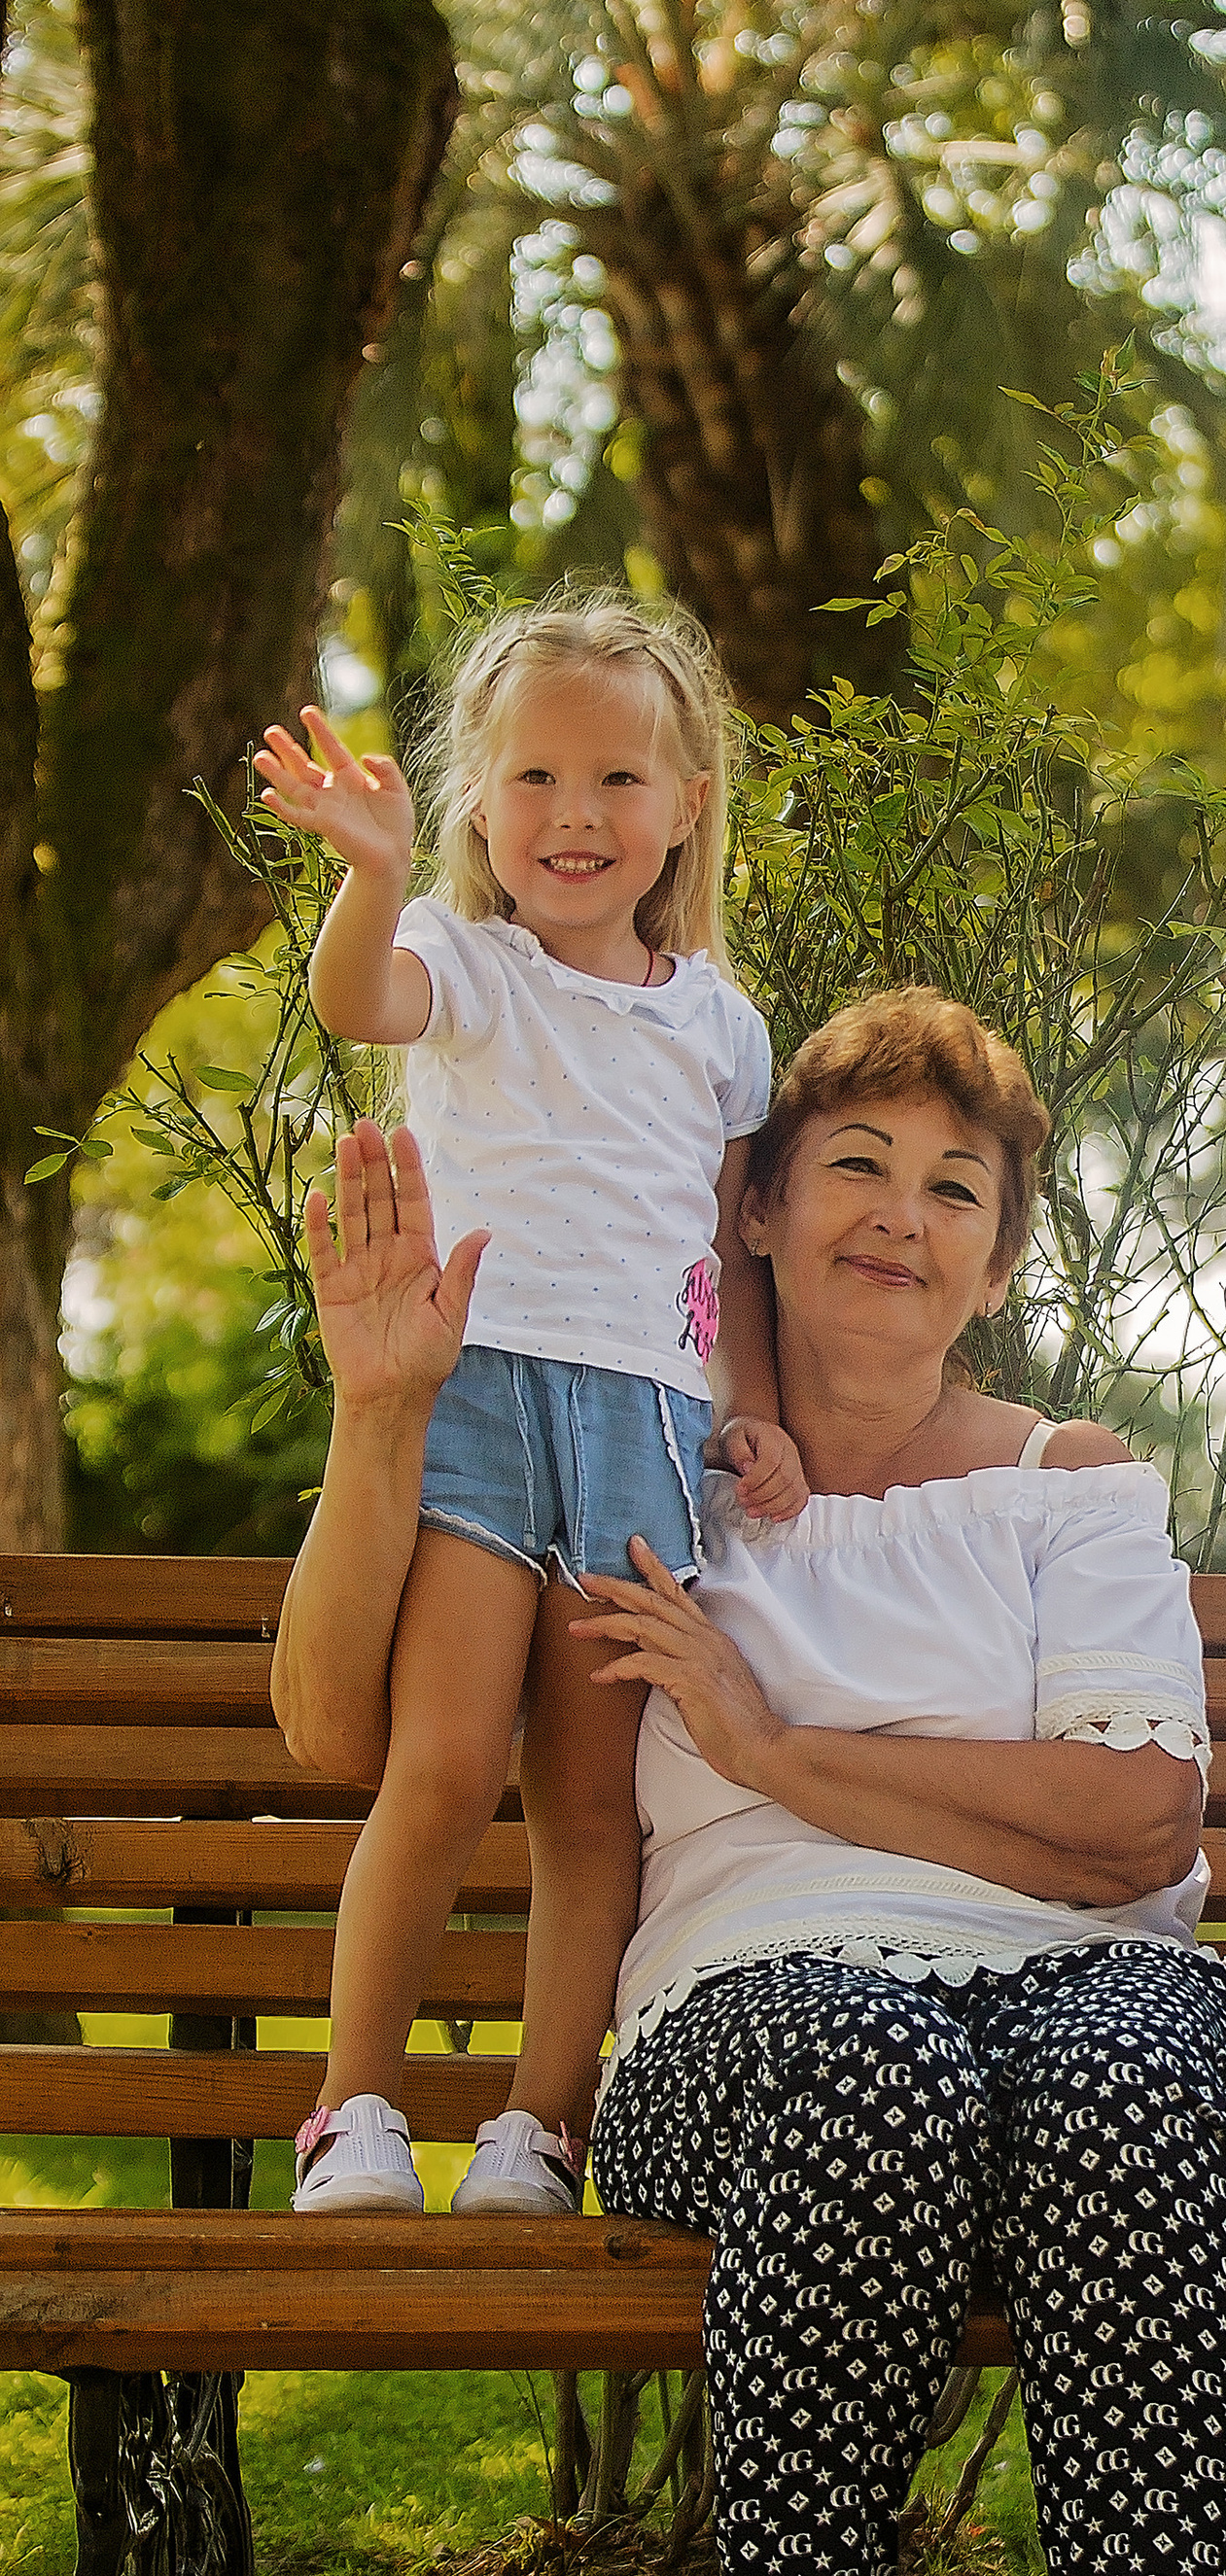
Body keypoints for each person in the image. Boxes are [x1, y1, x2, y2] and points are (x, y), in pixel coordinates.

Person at [271, 992, 1226, 2576]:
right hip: (743, 2019)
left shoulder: (1073, 1482)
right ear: (751, 1208)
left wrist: (773, 1750)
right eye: (856, 1167)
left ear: (999, 1257)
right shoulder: (651, 1494)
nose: (900, 1216)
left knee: (1149, 2076)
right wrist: (381, 1410)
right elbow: (342, 1732)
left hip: (1082, 1981)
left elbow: (1136, 1825)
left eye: (955, 1189)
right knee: (869, 2063)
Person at [257, 594, 798, 2219]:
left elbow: (723, 1249)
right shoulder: (464, 958)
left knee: (587, 1802)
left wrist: (753, 1407)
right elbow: (358, 1003)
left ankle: (540, 2129)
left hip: (643, 1426)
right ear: (482, 805)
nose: (577, 814)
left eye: (619, 779)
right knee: (440, 1760)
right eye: (538, 779)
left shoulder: (721, 1026)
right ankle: (353, 2108)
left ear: (685, 804)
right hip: (478, 1396)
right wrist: (369, 875)